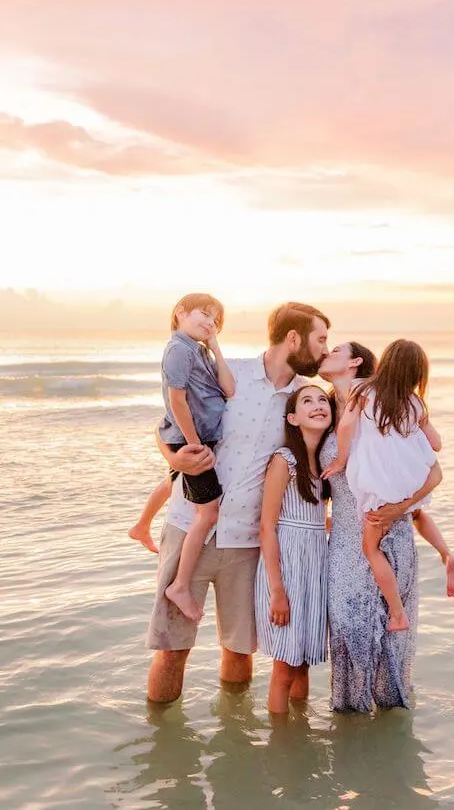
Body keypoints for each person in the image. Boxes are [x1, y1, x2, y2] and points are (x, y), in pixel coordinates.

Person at [145, 302, 330, 702]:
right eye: (320, 339)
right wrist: (171, 457)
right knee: (172, 650)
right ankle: (161, 754)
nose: (324, 351)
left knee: (240, 650)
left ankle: (236, 745)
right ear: (293, 338)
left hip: (248, 543)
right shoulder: (228, 373)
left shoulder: (306, 399)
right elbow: (168, 418)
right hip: (189, 524)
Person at [319, 341, 454, 712]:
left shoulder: (363, 393)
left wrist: (343, 459)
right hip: (396, 490)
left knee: (372, 551)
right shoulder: (413, 404)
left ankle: (396, 622)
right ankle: (367, 711)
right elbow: (435, 444)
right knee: (354, 621)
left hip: (378, 500)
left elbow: (348, 427)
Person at [130, 293, 235, 623]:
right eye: (204, 315)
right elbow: (177, 401)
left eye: (215, 319)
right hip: (193, 441)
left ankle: (141, 526)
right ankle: (179, 586)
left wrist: (215, 344)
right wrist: (194, 445)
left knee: (173, 479)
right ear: (180, 313)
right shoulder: (178, 349)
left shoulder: (199, 349)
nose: (210, 322)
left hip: (195, 439)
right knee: (208, 512)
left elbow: (229, 390)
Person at [255, 385, 332, 714]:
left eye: (323, 400)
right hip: (286, 568)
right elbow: (266, 526)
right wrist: (277, 591)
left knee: (302, 664)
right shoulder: (285, 460)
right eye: (307, 401)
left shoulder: (326, 465)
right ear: (293, 417)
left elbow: (317, 519)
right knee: (285, 667)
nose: (317, 406)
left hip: (313, 566)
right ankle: (280, 747)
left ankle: (301, 740)